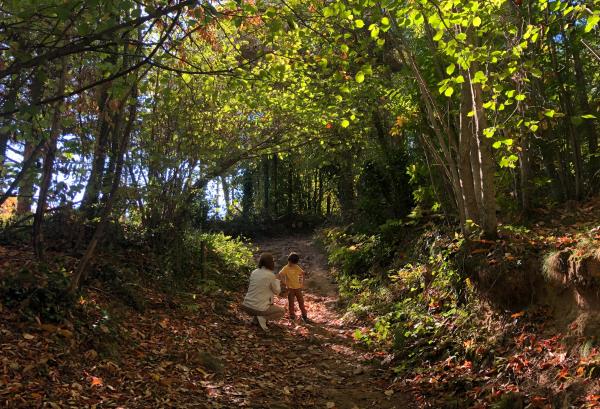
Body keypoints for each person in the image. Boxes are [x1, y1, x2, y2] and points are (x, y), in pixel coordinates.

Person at [241, 253, 285, 331]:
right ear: (271, 263)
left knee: (261, 301)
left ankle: (256, 319)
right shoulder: (270, 275)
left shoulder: (254, 272)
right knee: (281, 311)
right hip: (258, 308)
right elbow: (277, 292)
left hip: (246, 306)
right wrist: (277, 280)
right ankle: (262, 318)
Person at [279, 252, 311, 323]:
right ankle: (292, 316)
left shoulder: (296, 267)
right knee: (291, 302)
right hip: (290, 289)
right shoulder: (286, 268)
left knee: (301, 302)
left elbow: (302, 273)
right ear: (289, 260)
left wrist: (302, 283)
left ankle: (304, 315)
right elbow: (280, 274)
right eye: (291, 263)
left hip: (298, 288)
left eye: (294, 264)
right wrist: (284, 282)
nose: (292, 265)